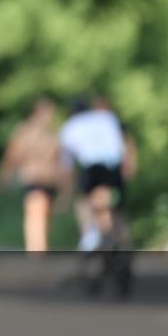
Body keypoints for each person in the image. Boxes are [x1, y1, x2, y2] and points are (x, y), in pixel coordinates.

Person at [59, 97, 129, 251]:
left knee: (83, 201)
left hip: (92, 168)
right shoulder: (106, 117)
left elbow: (67, 166)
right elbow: (123, 145)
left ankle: (89, 234)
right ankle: (121, 240)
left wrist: (65, 194)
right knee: (116, 207)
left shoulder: (70, 126)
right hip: (114, 168)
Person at [0, 98, 65, 252]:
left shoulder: (53, 133)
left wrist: (64, 186)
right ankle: (36, 249)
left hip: (50, 180)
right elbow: (13, 155)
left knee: (45, 213)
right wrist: (5, 175)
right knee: (36, 210)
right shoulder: (26, 131)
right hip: (33, 177)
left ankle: (39, 247)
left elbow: (61, 161)